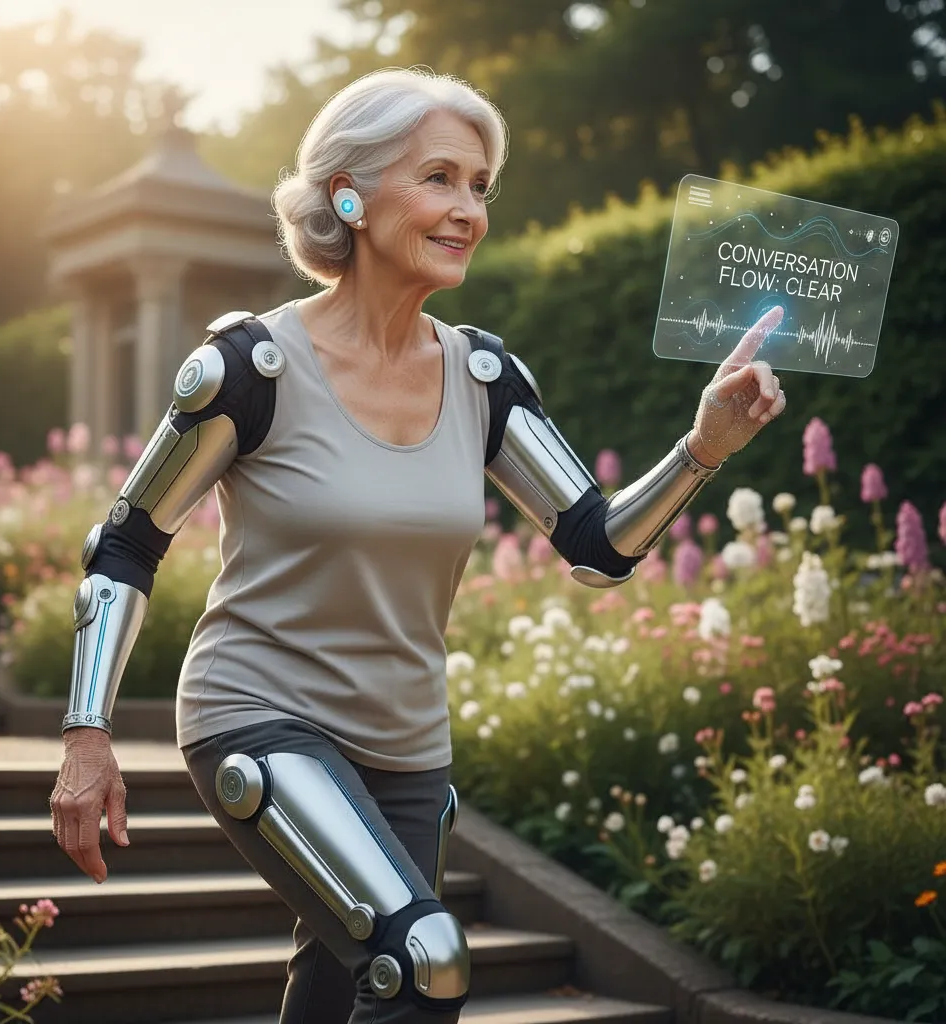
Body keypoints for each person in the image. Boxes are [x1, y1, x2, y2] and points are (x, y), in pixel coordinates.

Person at [49, 67, 787, 1024]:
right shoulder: (246, 370)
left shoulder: (483, 376)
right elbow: (125, 545)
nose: (468, 210)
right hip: (260, 716)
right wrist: (84, 735)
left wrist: (702, 450)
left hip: (410, 747)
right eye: (439, 177)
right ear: (349, 195)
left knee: (337, 986)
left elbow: (598, 545)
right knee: (423, 959)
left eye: (480, 187)